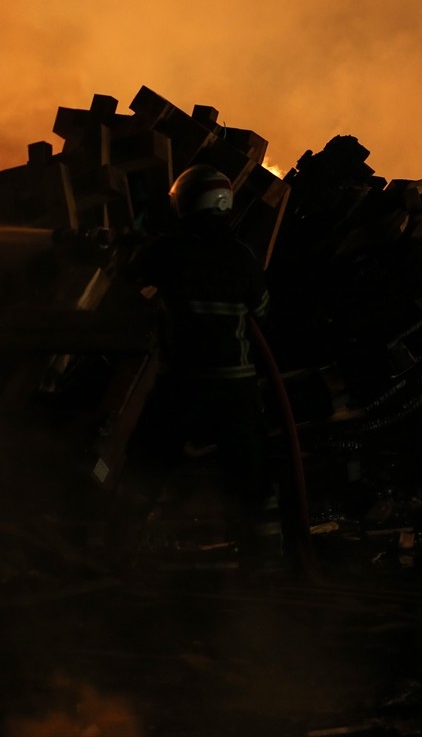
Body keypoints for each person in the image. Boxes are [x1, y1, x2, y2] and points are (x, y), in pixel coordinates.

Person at [127, 165, 279, 568]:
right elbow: (262, 309)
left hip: (182, 380)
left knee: (147, 460)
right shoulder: (241, 254)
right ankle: (264, 557)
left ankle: (118, 543)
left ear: (185, 201)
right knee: (251, 470)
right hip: (236, 383)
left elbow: (131, 278)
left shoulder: (165, 250)